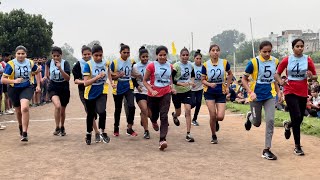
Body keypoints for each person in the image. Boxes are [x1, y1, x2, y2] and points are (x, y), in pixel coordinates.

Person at [275, 38, 317, 156]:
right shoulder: (287, 59)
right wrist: (281, 82)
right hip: (290, 91)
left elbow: (314, 76)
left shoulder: (308, 59)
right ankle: (297, 146)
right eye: (297, 46)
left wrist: (310, 77)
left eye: (301, 46)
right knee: (297, 115)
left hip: (303, 92)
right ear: (293, 48)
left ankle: (288, 125)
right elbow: (277, 73)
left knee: (299, 119)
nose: (300, 48)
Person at [242, 41, 281, 160]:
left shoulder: (275, 61)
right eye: (264, 52)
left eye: (269, 51)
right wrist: (250, 92)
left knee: (270, 120)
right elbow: (244, 79)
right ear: (260, 51)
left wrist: (279, 92)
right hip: (256, 96)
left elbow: (274, 77)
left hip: (269, 95)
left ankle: (267, 149)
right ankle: (250, 117)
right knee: (257, 123)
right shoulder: (253, 63)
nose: (267, 54)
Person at [1, 46, 41, 141]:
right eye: (18, 53)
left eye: (23, 53)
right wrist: (15, 81)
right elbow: (3, 79)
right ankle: (20, 125)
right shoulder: (11, 64)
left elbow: (37, 72)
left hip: (27, 87)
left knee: (25, 108)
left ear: (26, 54)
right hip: (13, 88)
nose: (21, 55)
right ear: (15, 55)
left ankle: (25, 133)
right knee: (18, 111)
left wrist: (38, 84)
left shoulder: (30, 63)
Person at [143, 45, 176, 150]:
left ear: (167, 55)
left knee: (164, 115)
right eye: (160, 55)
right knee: (154, 115)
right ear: (156, 55)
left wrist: (172, 87)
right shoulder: (151, 66)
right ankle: (153, 121)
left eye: (164, 55)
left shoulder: (170, 66)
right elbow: (145, 80)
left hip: (166, 93)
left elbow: (170, 79)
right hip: (153, 94)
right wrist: (151, 90)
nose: (162, 57)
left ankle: (162, 139)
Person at [201, 44, 233, 144]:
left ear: (219, 52)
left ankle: (216, 122)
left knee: (220, 117)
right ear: (210, 52)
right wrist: (210, 84)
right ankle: (213, 135)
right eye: (213, 50)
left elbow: (230, 74)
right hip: (209, 92)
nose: (215, 52)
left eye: (217, 50)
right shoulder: (205, 65)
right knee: (212, 114)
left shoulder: (224, 62)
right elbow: (202, 80)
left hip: (221, 91)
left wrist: (227, 86)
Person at [83, 44, 111, 145]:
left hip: (102, 90)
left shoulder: (106, 63)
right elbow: (86, 83)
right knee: (91, 115)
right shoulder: (88, 65)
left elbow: (109, 73)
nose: (98, 57)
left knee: (102, 111)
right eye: (96, 55)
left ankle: (103, 131)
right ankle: (88, 133)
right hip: (90, 92)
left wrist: (111, 82)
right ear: (92, 55)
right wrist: (97, 77)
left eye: (100, 55)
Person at [72, 45, 101, 143]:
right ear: (82, 55)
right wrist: (85, 82)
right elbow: (75, 80)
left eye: (89, 54)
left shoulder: (97, 63)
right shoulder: (78, 65)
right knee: (90, 112)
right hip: (84, 91)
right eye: (85, 54)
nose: (87, 56)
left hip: (96, 90)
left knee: (97, 110)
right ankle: (95, 132)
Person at [110, 43, 137, 137]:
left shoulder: (132, 61)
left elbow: (133, 72)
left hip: (128, 86)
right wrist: (118, 76)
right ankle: (116, 128)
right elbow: (111, 76)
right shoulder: (115, 62)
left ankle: (129, 128)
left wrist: (138, 75)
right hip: (118, 87)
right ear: (120, 52)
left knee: (132, 106)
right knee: (118, 109)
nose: (126, 54)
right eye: (124, 52)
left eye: (128, 52)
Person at [45, 46, 71, 136]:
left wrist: (60, 69)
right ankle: (57, 127)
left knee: (62, 110)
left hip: (64, 86)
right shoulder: (49, 62)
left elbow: (68, 78)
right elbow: (47, 73)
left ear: (61, 55)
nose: (56, 58)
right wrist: (46, 77)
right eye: (54, 56)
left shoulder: (65, 63)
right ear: (52, 55)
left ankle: (62, 126)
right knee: (57, 106)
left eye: (58, 56)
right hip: (53, 86)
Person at [171, 47, 196, 142]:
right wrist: (181, 84)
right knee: (179, 112)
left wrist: (192, 82)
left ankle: (188, 134)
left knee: (188, 110)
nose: (185, 57)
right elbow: (172, 79)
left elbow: (193, 75)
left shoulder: (191, 65)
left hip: (187, 91)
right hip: (176, 92)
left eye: (187, 55)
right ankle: (174, 116)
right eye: (183, 55)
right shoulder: (176, 66)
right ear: (180, 56)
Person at [132, 46, 151, 139]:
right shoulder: (135, 66)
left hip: (150, 91)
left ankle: (143, 117)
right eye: (143, 57)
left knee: (150, 114)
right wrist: (137, 85)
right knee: (144, 109)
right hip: (140, 91)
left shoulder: (152, 65)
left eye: (147, 56)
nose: (145, 59)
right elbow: (132, 77)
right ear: (140, 57)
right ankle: (146, 131)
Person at [191, 49, 203, 126]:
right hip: (191, 88)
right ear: (194, 59)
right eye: (197, 58)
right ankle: (188, 111)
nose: (198, 60)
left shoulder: (203, 66)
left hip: (200, 88)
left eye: (200, 59)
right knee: (193, 103)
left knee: (198, 103)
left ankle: (194, 119)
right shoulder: (191, 66)